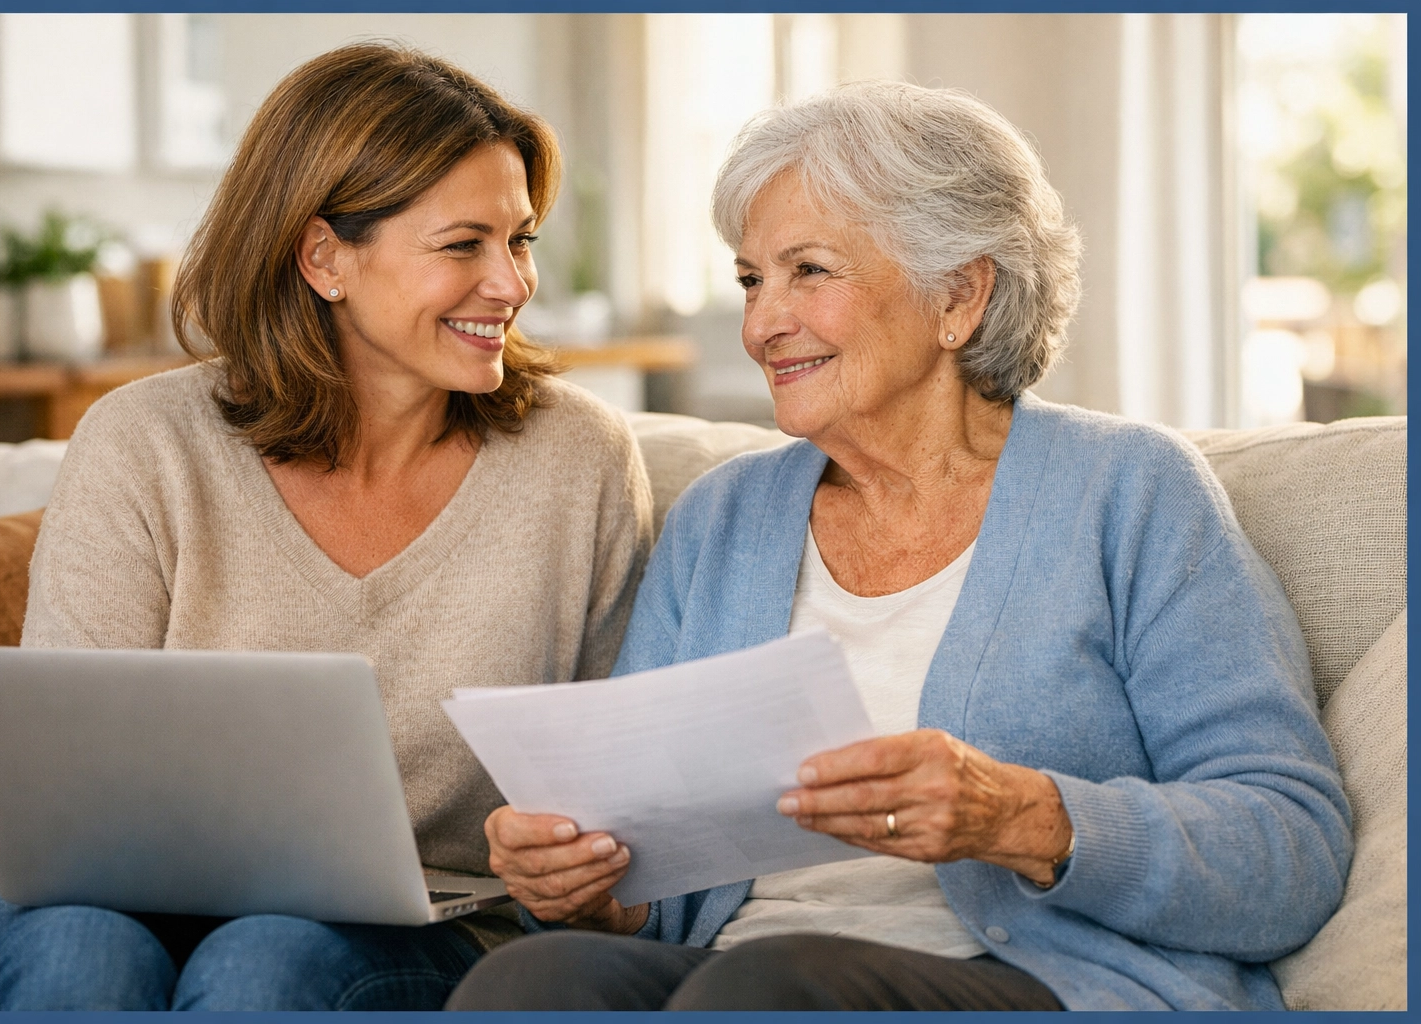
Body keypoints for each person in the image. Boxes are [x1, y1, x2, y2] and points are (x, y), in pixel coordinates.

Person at [447, 81, 1352, 1012]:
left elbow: (1290, 845)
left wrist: (1023, 816)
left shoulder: (1127, 491)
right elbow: (657, 893)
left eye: (811, 272)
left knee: (772, 984)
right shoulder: (721, 520)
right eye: (753, 279)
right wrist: (586, 888)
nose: (761, 326)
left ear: (959, 295)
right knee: (531, 977)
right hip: (742, 971)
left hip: (1037, 983)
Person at [0, 44, 652, 1011]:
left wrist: (581, 870)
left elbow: (612, 797)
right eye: (465, 245)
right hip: (42, 896)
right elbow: (68, 796)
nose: (510, 284)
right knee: (87, 957)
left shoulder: (576, 460)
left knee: (264, 960)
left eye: (522, 241)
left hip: (417, 920)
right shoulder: (146, 441)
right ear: (324, 257)